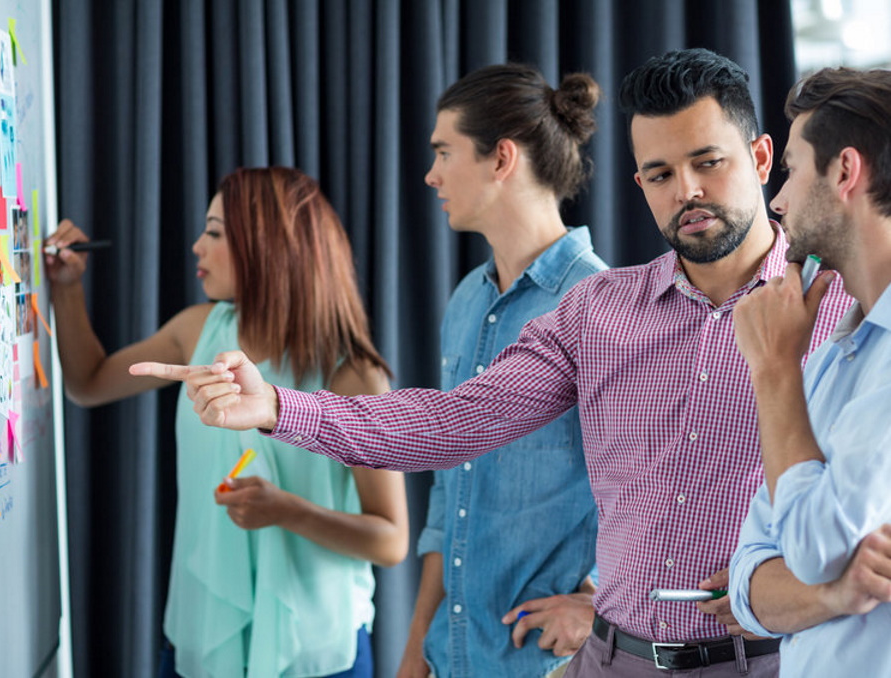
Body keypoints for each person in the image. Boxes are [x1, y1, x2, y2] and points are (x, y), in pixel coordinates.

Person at [132, 49, 853, 677]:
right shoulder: (598, 313)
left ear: (762, 159)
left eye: (709, 163)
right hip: (610, 662)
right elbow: (452, 424)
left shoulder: (841, 306)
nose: (687, 191)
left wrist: (803, 576)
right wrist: (280, 408)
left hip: (771, 662)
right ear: (639, 185)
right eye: (660, 173)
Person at [46, 167, 408, 678]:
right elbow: (87, 384)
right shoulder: (196, 331)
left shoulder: (354, 375)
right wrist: (65, 289)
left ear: (266, 245)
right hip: (202, 639)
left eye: (215, 232)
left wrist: (286, 511)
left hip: (317, 655)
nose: (196, 246)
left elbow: (391, 540)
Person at [395, 64, 608, 678]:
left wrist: (599, 604)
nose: (431, 174)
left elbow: (661, 484)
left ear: (501, 158)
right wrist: (415, 648)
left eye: (444, 151)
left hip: (547, 666)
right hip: (453, 658)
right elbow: (447, 489)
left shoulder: (597, 303)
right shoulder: (466, 300)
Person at [730, 67, 891, 677]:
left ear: (845, 171)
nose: (777, 199)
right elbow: (749, 576)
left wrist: (773, 371)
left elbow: (814, 548)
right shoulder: (829, 356)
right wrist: (830, 596)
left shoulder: (797, 364)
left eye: (792, 168)